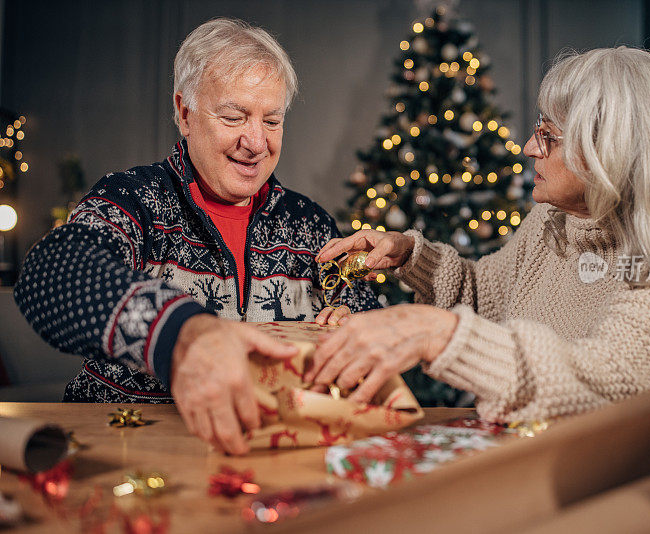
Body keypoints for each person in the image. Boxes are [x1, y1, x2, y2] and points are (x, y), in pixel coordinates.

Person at [309, 47, 650, 423]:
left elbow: (595, 382)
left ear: (608, 151)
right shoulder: (552, 224)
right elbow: (483, 294)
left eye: (547, 136)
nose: (530, 148)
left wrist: (438, 333)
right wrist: (411, 254)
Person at [14, 18, 378, 454]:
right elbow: (49, 275)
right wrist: (182, 334)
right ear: (184, 113)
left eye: (272, 120)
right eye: (233, 116)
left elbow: (366, 318)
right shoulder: (135, 199)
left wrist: (355, 328)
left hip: (268, 455)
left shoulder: (310, 224)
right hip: (128, 449)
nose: (256, 142)